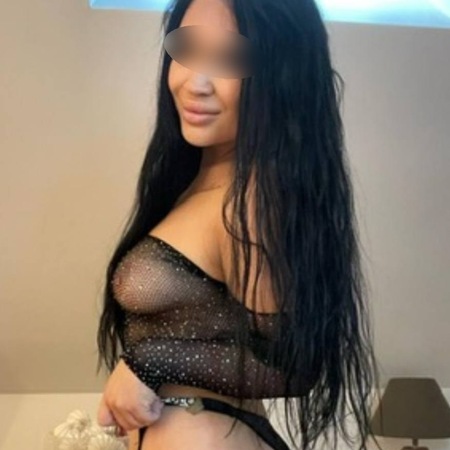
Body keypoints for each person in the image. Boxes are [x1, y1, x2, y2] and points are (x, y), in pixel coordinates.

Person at [96, 0, 384, 449]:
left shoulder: (251, 201)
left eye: (230, 59)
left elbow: (296, 365)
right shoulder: (200, 180)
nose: (196, 82)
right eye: (187, 49)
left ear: (283, 76)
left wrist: (150, 362)